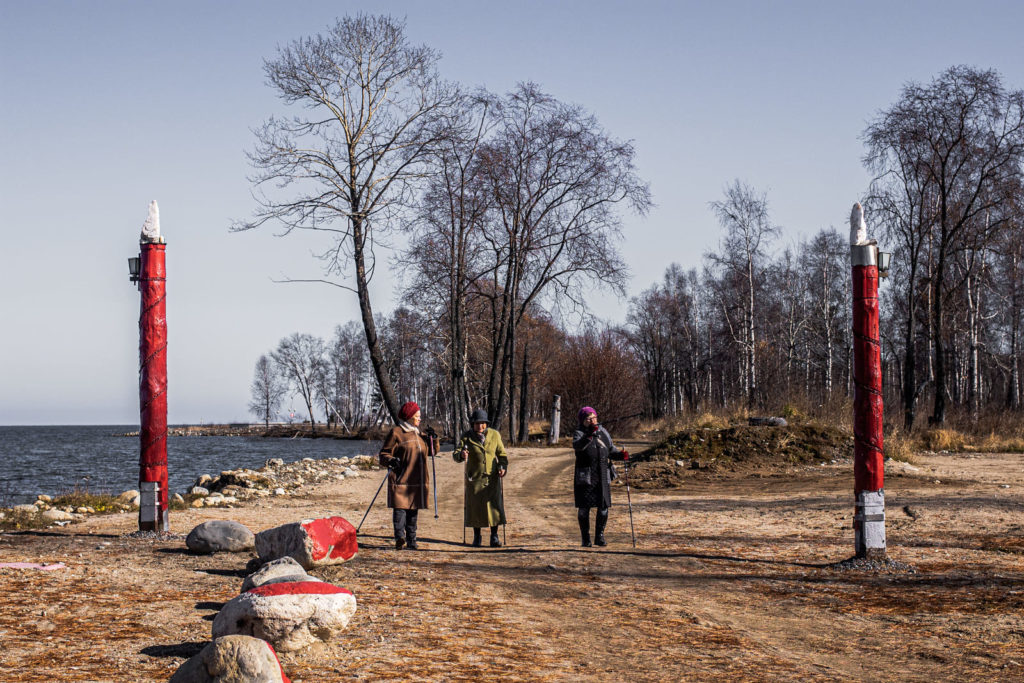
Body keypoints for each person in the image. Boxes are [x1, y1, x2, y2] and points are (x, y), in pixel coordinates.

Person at [378, 401, 434, 550]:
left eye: (420, 416)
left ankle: (412, 540)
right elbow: (384, 454)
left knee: (413, 510)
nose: (419, 419)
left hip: (417, 480)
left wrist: (433, 439)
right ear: (409, 417)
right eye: (417, 416)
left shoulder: (420, 434)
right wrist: (391, 460)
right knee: (400, 509)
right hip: (401, 479)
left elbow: (432, 452)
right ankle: (399, 537)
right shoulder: (397, 432)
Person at [572, 406, 627, 547]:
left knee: (603, 507)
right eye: (588, 418)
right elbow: (578, 447)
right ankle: (585, 538)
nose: (592, 420)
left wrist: (621, 455)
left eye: (594, 417)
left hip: (602, 474)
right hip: (586, 476)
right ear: (583, 420)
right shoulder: (579, 433)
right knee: (584, 508)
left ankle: (599, 537)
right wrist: (589, 435)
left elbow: (610, 450)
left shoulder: (603, 432)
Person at [453, 408, 508, 547]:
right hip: (474, 479)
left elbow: (502, 455)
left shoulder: (495, 435)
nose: (481, 426)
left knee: (494, 507)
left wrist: (502, 467)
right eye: (477, 423)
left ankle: (494, 537)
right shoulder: (466, 437)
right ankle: (477, 537)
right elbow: (456, 453)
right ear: (473, 424)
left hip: (492, 478)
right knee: (475, 508)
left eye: (483, 423)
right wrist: (461, 455)